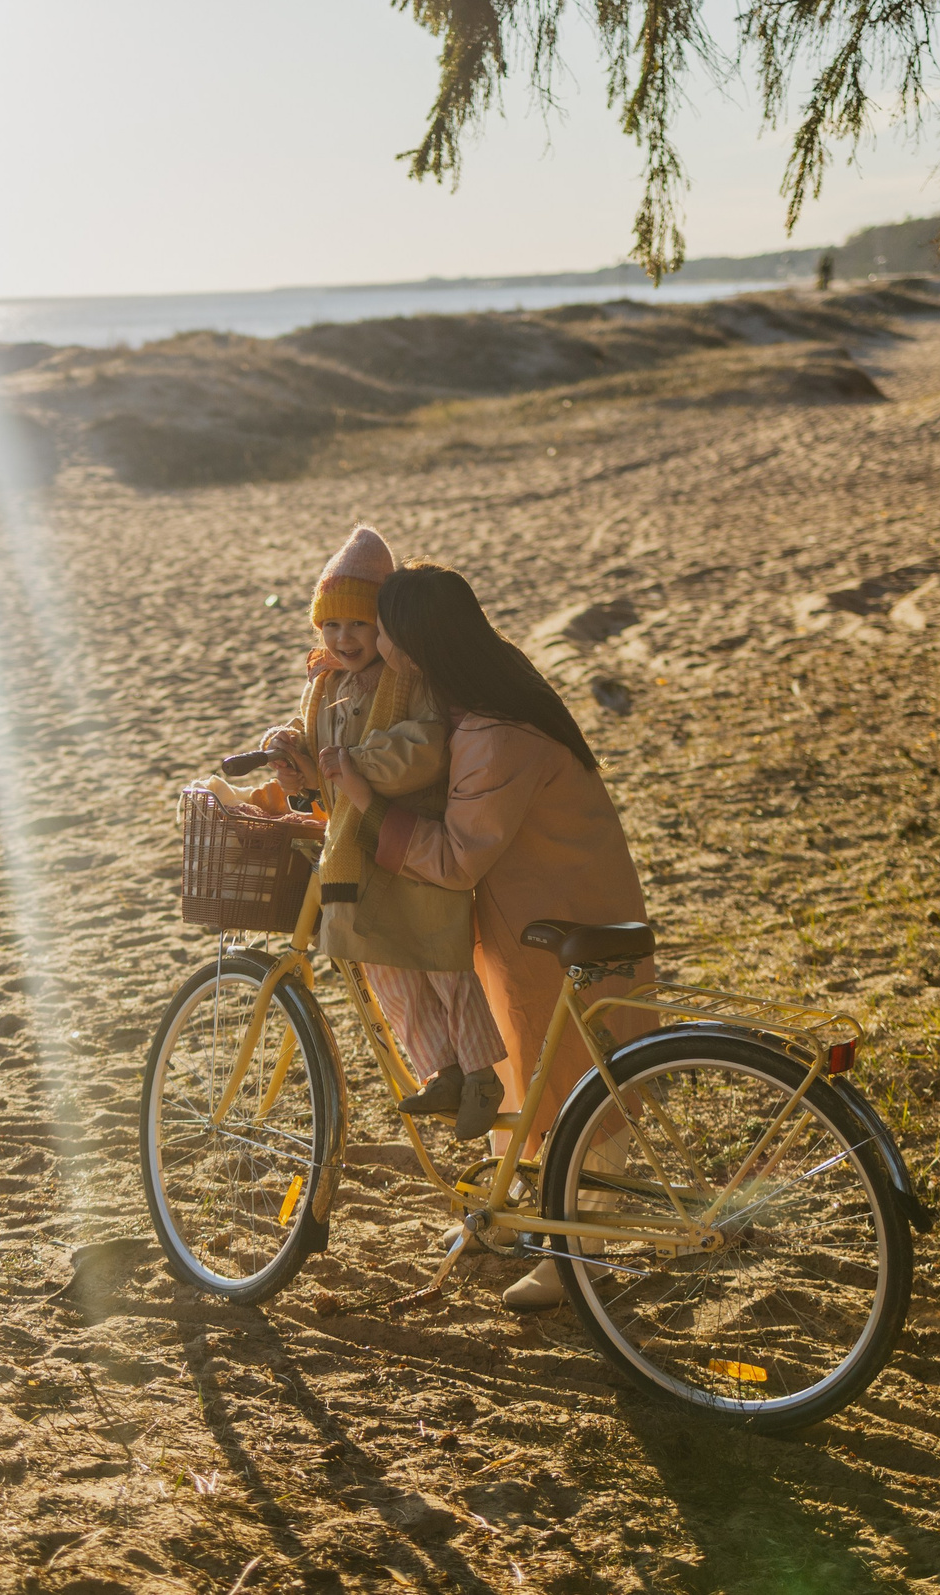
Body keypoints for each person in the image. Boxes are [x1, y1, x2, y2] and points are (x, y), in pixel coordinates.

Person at [317, 560, 649, 1310]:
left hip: (561, 920)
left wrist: (369, 807)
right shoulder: (485, 700)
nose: (376, 640)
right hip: (524, 918)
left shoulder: (497, 732)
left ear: (417, 642)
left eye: (387, 628)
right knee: (517, 1065)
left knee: (567, 1076)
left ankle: (580, 1257)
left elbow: (458, 856)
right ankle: (508, 1218)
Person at [260, 528, 508, 1140]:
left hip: (409, 838)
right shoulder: (324, 687)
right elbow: (320, 758)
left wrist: (361, 762)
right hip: (356, 850)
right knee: (383, 964)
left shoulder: (409, 678)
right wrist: (295, 755)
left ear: (384, 629)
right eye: (331, 628)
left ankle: (482, 1074)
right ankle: (439, 1069)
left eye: (358, 627)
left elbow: (428, 745)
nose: (343, 641)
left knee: (440, 960)